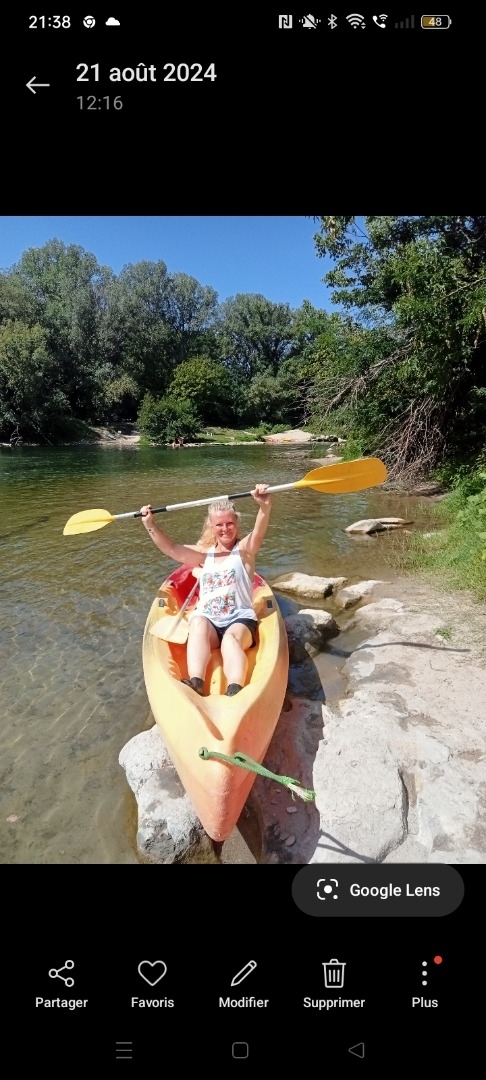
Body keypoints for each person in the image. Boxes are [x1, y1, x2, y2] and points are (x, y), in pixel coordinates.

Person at [140, 484, 271, 696]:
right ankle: (196, 682)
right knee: (197, 622)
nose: (225, 529)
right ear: (211, 526)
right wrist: (150, 524)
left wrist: (264, 507)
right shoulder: (205, 554)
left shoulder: (244, 550)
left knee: (230, 640)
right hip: (210, 623)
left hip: (239, 621)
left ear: (237, 522)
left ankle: (235, 690)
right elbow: (171, 548)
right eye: (219, 524)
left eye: (230, 523)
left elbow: (258, 533)